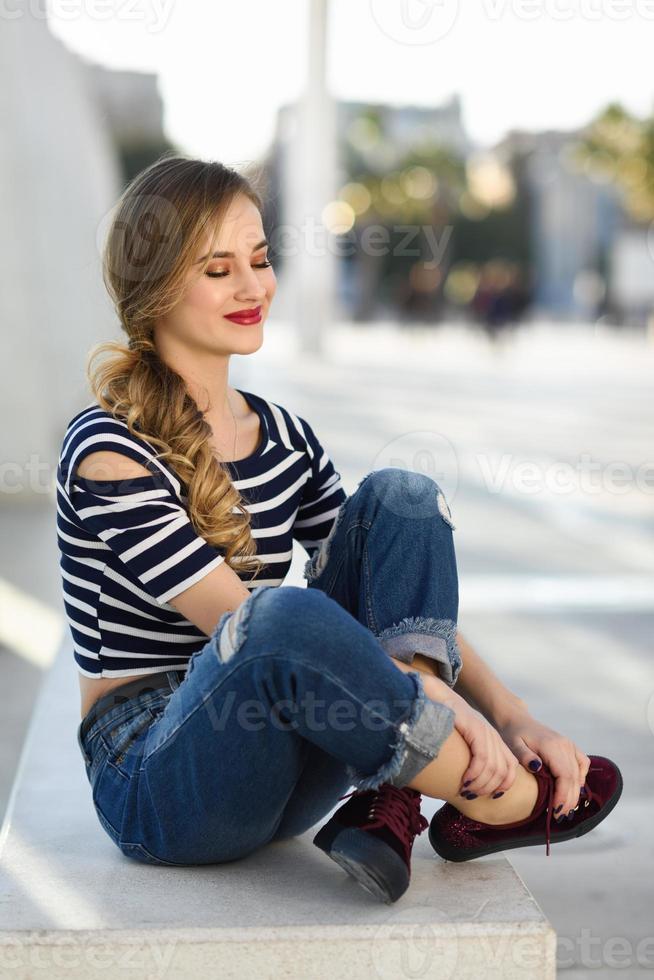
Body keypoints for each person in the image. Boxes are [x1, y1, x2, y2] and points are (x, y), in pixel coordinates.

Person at [57, 155, 622, 906]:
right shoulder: (108, 448)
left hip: (284, 768)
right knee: (276, 617)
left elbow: (393, 594)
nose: (254, 287)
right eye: (218, 268)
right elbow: (236, 618)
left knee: (404, 499)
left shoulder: (286, 437)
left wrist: (511, 717)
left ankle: (392, 799)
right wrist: (441, 710)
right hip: (160, 783)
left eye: (259, 259)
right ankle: (505, 802)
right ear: (157, 283)